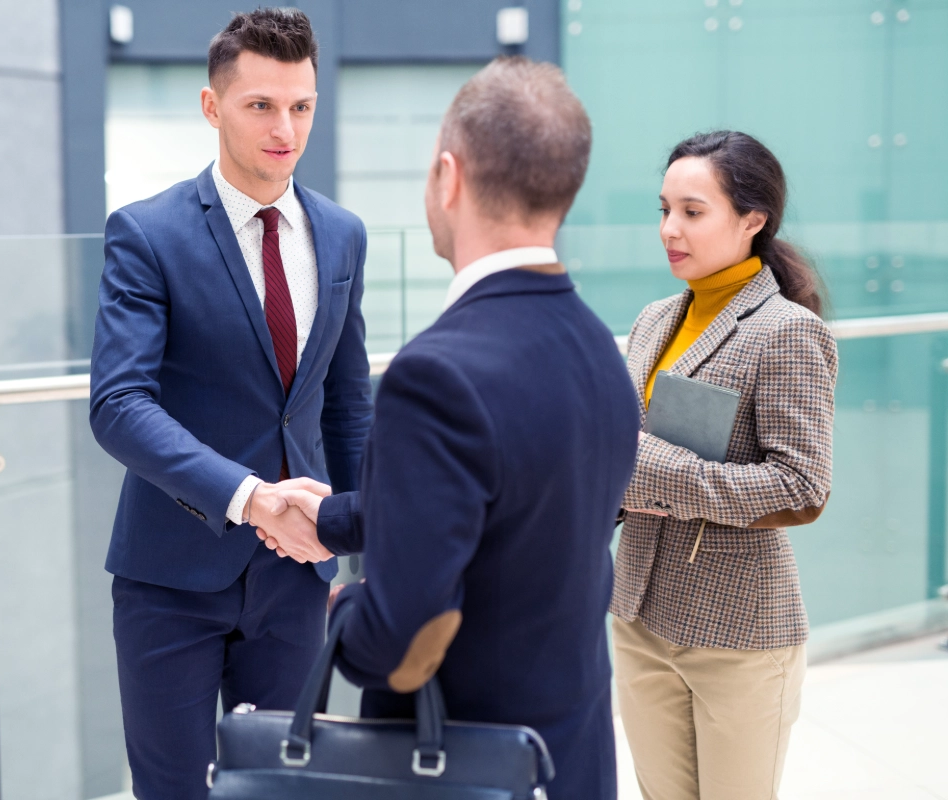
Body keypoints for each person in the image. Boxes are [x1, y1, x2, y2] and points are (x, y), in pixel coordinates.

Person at [269, 57, 640, 799]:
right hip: (570, 758)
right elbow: (508, 503)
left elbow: (401, 639)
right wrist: (334, 519)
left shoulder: (433, 375)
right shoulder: (600, 348)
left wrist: (345, 612)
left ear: (449, 176)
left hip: (464, 765)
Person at [88, 8, 373, 798]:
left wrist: (367, 542)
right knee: (174, 787)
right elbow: (118, 404)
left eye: (302, 106)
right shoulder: (146, 234)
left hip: (298, 576)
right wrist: (249, 499)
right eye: (261, 106)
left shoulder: (342, 234)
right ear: (212, 107)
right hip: (171, 575)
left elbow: (348, 404)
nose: (286, 128)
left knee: (286, 784)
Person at [612, 131, 838, 800]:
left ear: (753, 219)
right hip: (639, 617)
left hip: (737, 634)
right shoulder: (654, 320)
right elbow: (626, 460)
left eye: (692, 211)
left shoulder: (787, 331)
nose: (670, 230)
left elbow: (802, 487)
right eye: (663, 210)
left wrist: (651, 468)